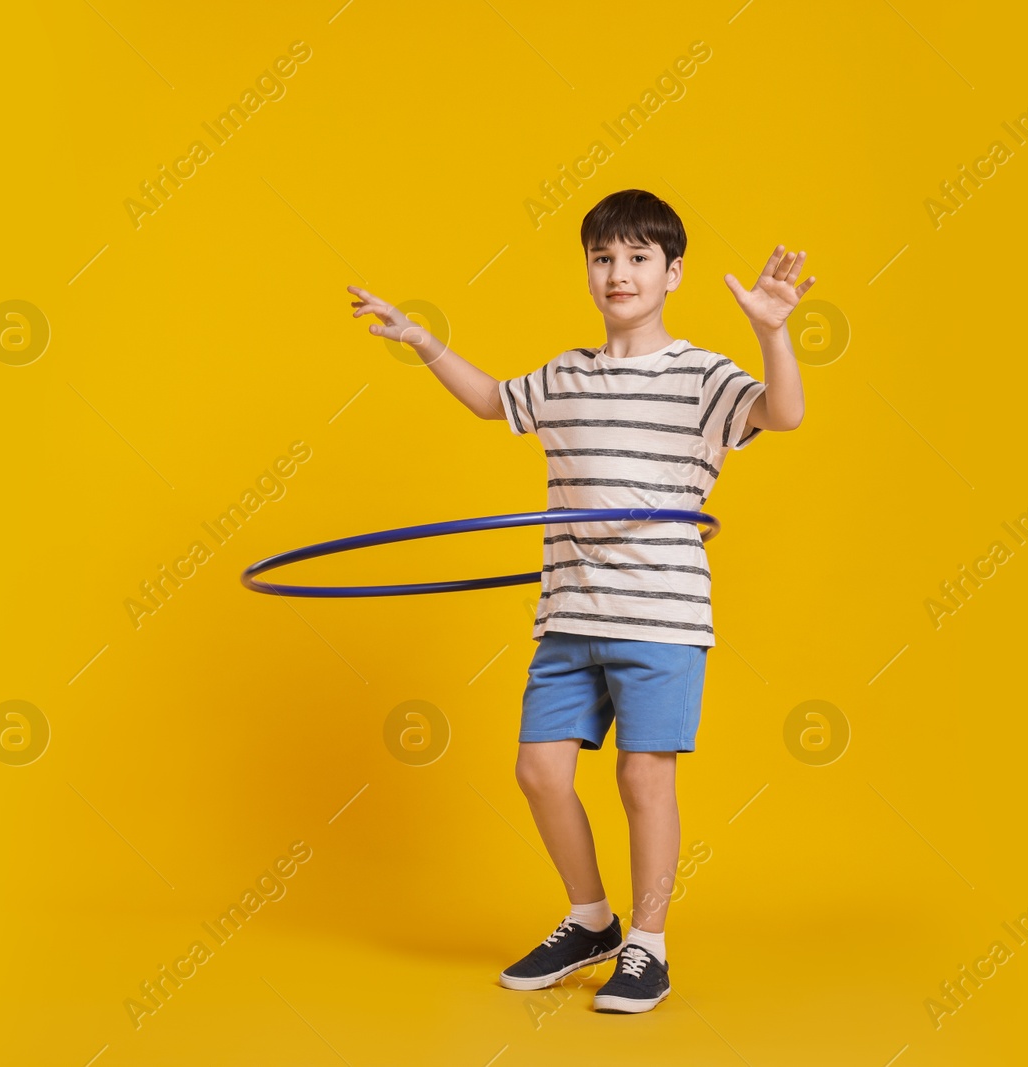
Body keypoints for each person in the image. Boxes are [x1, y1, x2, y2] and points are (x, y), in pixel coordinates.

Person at [346, 188, 813, 1013]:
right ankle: (593, 919)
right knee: (537, 770)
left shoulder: (701, 375)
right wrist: (423, 341)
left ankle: (650, 946)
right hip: (569, 613)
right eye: (603, 258)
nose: (618, 273)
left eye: (638, 258)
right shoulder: (566, 375)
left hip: (660, 615)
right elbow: (495, 401)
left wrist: (772, 331)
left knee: (644, 778)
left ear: (674, 273)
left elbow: (785, 413)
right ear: (588, 272)